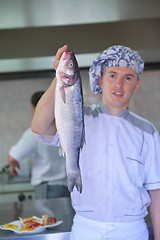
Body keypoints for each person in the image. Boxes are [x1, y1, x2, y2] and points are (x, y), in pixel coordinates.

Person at [31, 45, 160, 239]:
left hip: (131, 231)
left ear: (137, 84)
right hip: (86, 229)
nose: (119, 84)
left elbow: (156, 191)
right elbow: (39, 126)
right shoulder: (78, 116)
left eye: (128, 78)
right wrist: (60, 75)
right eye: (112, 75)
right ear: (100, 79)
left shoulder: (147, 131)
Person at [8, 91, 69, 199]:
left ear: (34, 108)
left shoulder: (35, 132)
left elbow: (13, 157)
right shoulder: (66, 127)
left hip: (48, 188)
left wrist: (13, 164)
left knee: (49, 216)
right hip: (68, 186)